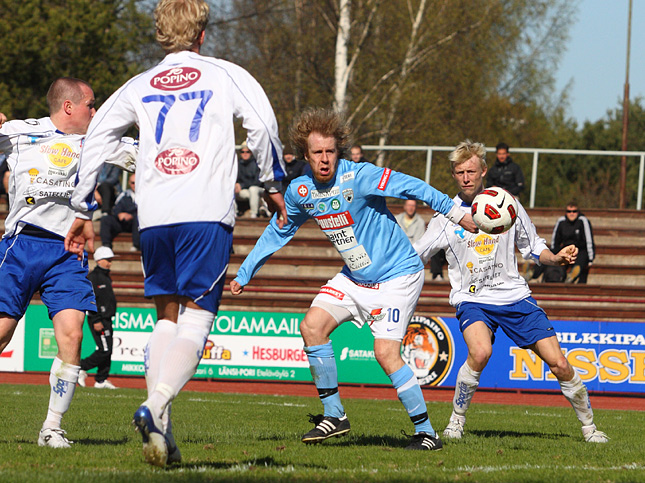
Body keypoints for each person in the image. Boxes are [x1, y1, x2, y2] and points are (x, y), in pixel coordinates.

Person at [65, 0, 286, 467]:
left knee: (166, 315)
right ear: (202, 32)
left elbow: (96, 138)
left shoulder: (138, 84)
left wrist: (83, 205)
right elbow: (263, 127)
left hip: (155, 215)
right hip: (204, 211)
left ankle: (162, 433)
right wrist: (271, 183)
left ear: (160, 35)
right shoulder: (226, 74)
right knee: (198, 316)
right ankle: (156, 404)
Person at [230, 107, 477, 451]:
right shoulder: (300, 192)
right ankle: (335, 415)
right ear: (306, 154)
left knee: (385, 353)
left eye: (330, 151)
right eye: (317, 152)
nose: (325, 158)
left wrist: (456, 213)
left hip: (398, 275)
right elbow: (278, 230)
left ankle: (427, 434)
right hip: (354, 278)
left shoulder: (360, 176)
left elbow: (414, 187)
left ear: (338, 151)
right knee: (311, 327)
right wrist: (246, 271)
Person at [413, 140, 608, 444]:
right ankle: (456, 421)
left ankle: (590, 428)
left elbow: (533, 246)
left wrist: (555, 257)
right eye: (460, 172)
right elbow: (417, 254)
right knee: (480, 352)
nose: (466, 177)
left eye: (471, 171)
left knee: (559, 363)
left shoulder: (507, 203)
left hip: (515, 297)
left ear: (484, 171)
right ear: (453, 175)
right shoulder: (445, 218)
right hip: (473, 299)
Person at [0, 78, 97, 448]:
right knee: (3, 332)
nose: (95, 110)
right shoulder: (19, 133)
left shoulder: (100, 138)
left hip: (68, 250)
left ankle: (51, 428)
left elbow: (147, 154)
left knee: (72, 335)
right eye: (90, 103)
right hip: (21, 244)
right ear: (69, 107)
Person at [78, 246, 118, 389]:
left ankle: (101, 379)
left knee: (108, 349)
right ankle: (80, 368)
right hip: (99, 320)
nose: (110, 263)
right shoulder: (94, 278)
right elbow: (91, 300)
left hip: (106, 319)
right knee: (104, 350)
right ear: (99, 260)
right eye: (108, 260)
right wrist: (96, 319)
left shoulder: (105, 277)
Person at [551, 201, 595, 284]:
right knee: (551, 256)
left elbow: (589, 240)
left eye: (574, 211)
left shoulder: (583, 221)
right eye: (569, 211)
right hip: (566, 249)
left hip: (580, 250)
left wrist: (590, 259)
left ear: (578, 212)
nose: (571, 214)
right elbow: (555, 240)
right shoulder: (561, 221)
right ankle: (532, 272)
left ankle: (573, 275)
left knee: (582, 257)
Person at [100, 173, 140, 251]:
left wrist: (131, 215)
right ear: (129, 183)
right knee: (105, 219)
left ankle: (136, 245)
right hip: (123, 222)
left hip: (136, 223)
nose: (134, 185)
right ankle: (106, 245)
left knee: (138, 218)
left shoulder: (145, 195)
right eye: (132, 183)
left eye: (137, 182)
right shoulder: (124, 195)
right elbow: (116, 208)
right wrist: (119, 214)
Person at [235, 141, 269, 218]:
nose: (245, 153)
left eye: (248, 151)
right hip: (244, 191)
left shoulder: (257, 164)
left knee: (253, 189)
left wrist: (241, 185)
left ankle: (254, 214)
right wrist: (235, 184)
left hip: (259, 189)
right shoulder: (237, 164)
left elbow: (257, 182)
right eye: (242, 152)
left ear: (251, 153)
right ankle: (234, 213)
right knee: (230, 189)